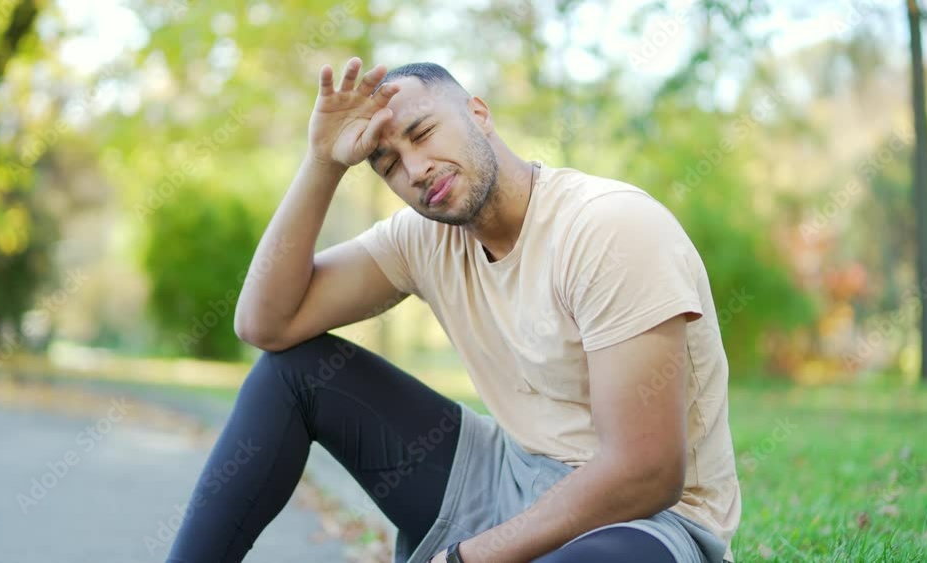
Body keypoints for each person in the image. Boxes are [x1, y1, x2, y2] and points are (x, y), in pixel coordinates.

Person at [165, 57, 741, 563]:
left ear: (479, 113)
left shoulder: (607, 227)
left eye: (422, 132)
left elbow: (647, 474)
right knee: (294, 374)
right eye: (388, 164)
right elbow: (265, 324)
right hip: (503, 477)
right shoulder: (425, 237)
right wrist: (323, 163)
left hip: (640, 523)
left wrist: (467, 558)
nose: (415, 170)